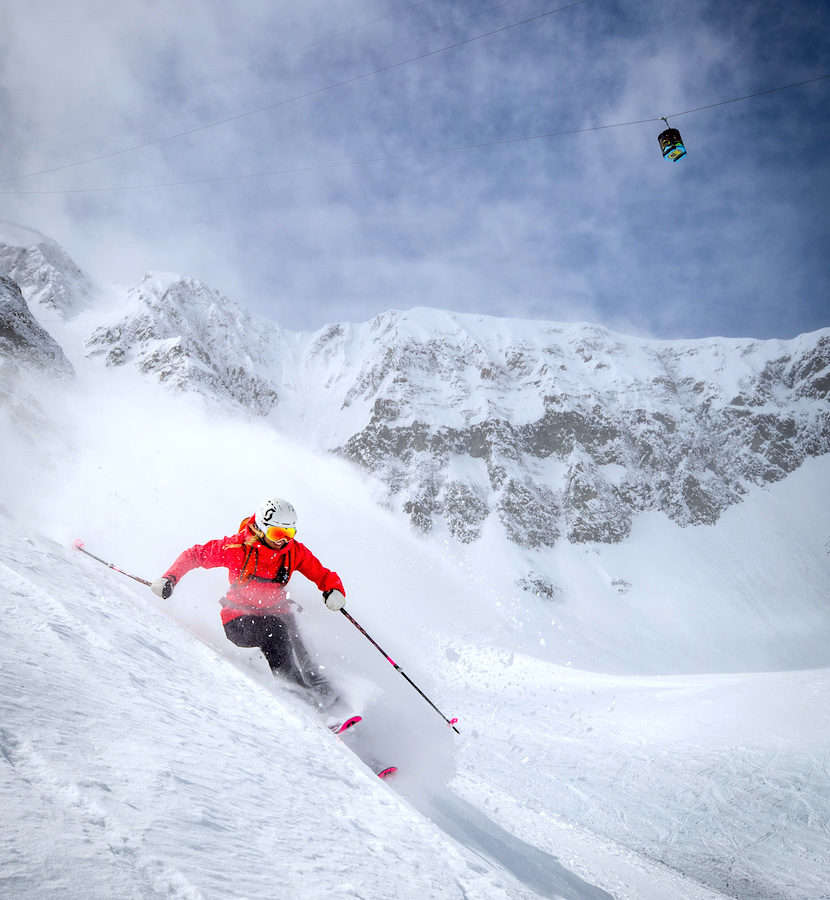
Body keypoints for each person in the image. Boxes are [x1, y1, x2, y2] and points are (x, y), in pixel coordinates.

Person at [152, 497, 346, 712]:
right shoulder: (237, 548)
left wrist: (333, 590)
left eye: (289, 533)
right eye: (277, 534)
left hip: (276, 613)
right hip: (238, 621)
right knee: (277, 630)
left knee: (293, 630)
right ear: (262, 529)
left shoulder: (294, 552)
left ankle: (319, 684)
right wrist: (170, 577)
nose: (283, 540)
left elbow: (323, 574)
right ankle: (300, 696)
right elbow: (195, 555)